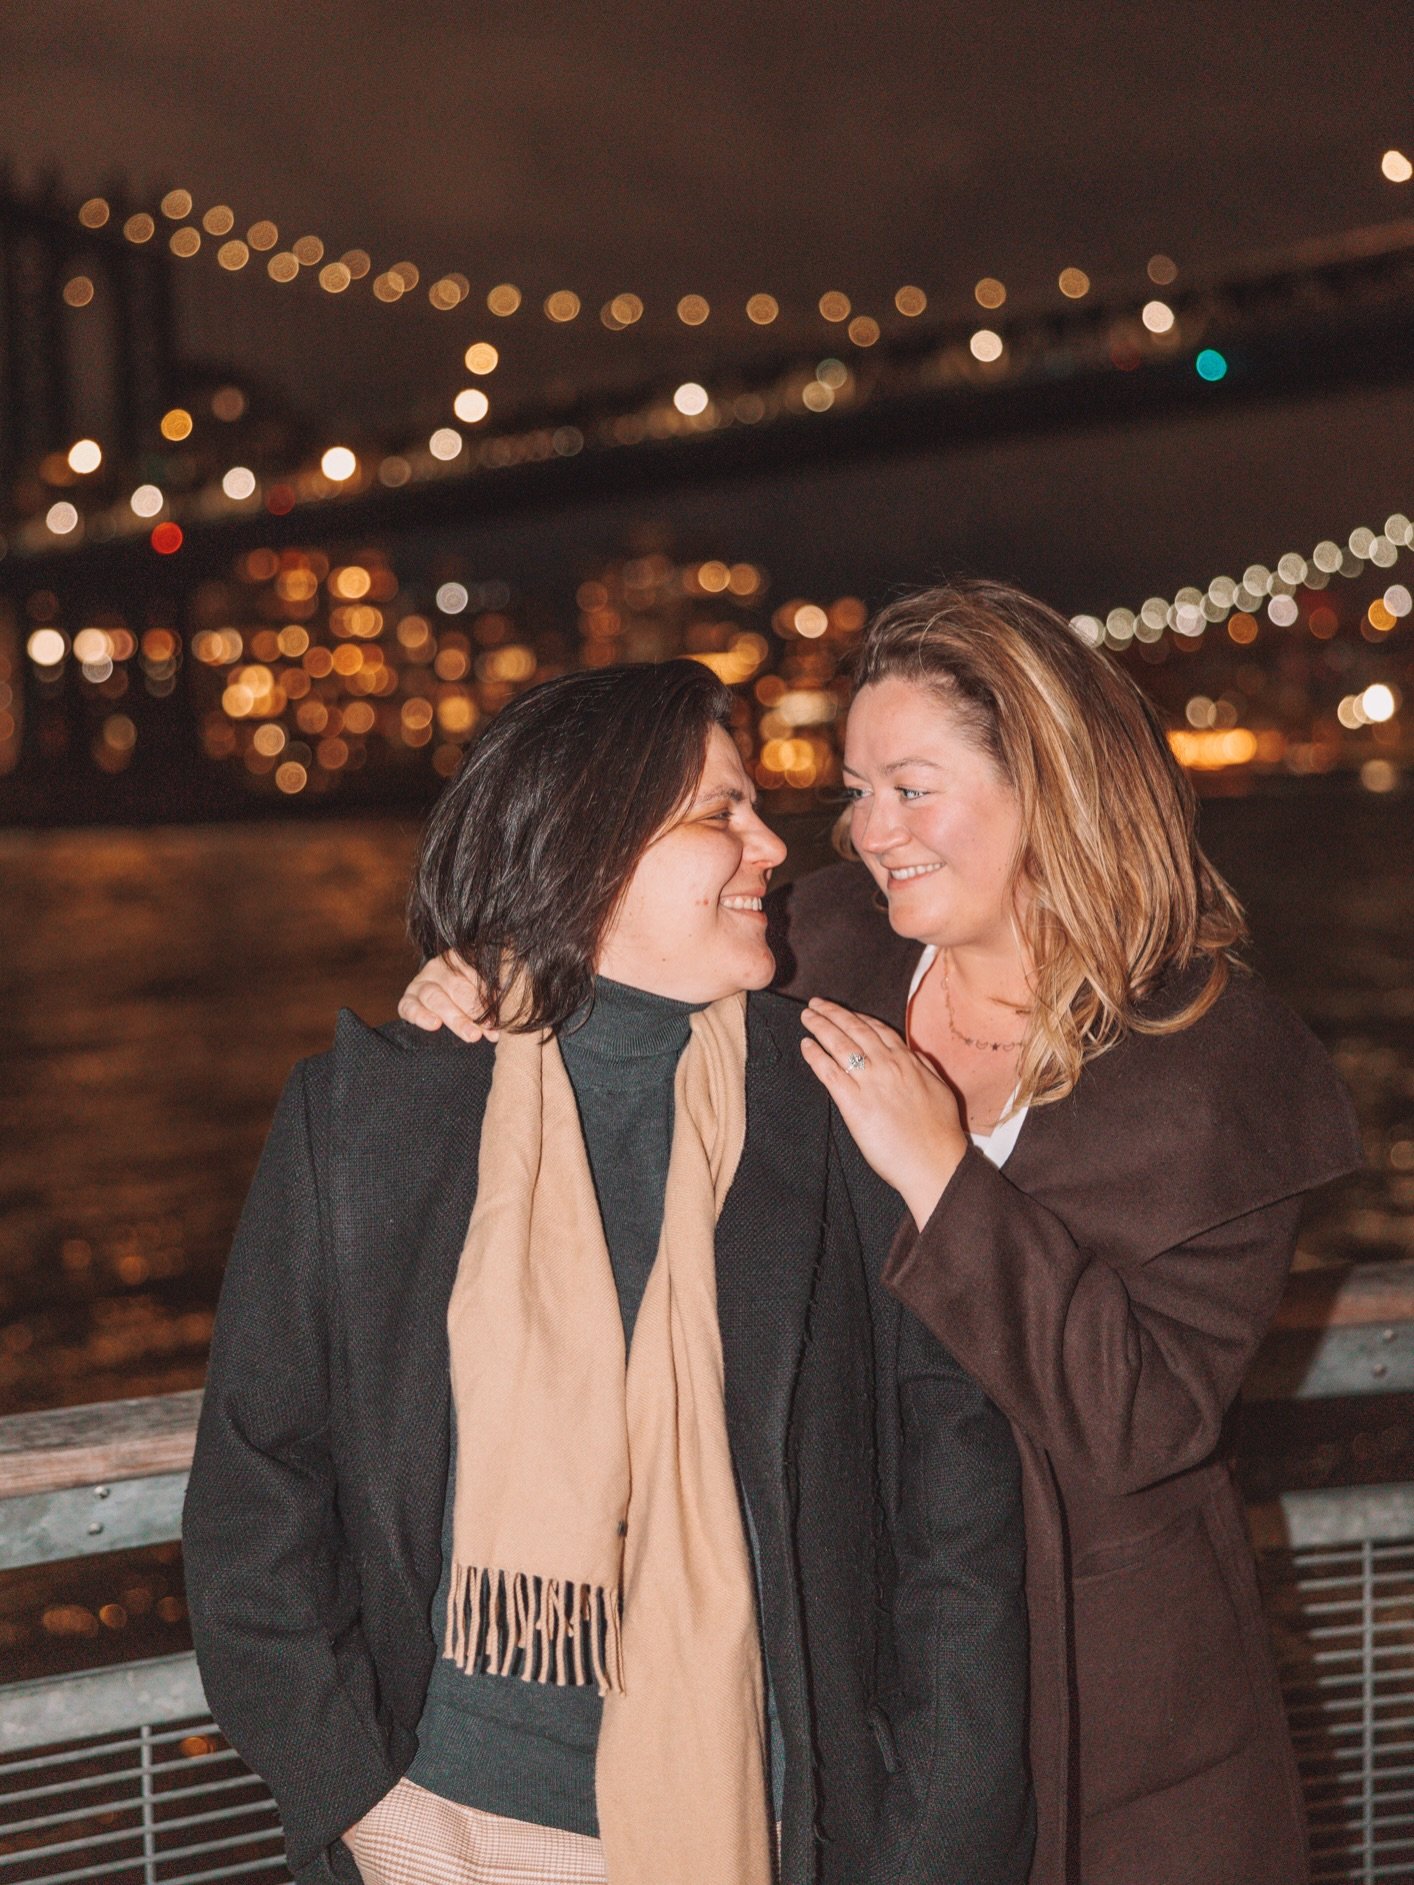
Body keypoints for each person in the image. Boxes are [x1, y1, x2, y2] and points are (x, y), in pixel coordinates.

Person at [401, 583, 1363, 1885]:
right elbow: (633, 981)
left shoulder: (1212, 1066)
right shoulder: (825, 943)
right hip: (848, 1631)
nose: (868, 832)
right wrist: (501, 982)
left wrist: (941, 1175)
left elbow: (1141, 1420)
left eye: (910, 787)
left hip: (1103, 1697)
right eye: (855, 790)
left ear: (1050, 781)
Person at [183, 658, 1033, 1885]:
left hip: (763, 1821)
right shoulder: (378, 1112)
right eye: (718, 812)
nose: (769, 847)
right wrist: (364, 1806)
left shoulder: (844, 1099)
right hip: (444, 1834)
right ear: (593, 845)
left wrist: (930, 1842)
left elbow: (951, 1502)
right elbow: (256, 1488)